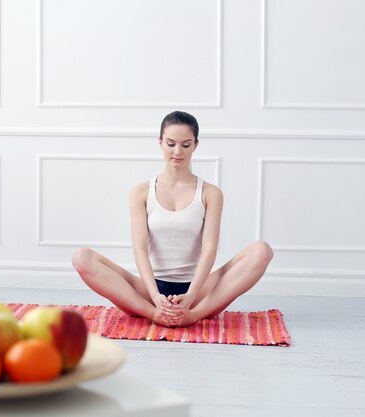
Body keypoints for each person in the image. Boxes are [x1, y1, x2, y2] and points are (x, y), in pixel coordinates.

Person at [72, 111, 273, 327]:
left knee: (262, 251)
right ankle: (153, 314)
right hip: (149, 291)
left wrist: (191, 299)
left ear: (195, 145)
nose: (177, 151)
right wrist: (155, 298)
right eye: (170, 143)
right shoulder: (140, 192)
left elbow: (209, 251)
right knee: (82, 257)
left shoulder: (210, 193)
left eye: (186, 145)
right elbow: (140, 249)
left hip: (199, 291)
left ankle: (194, 315)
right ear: (160, 143)